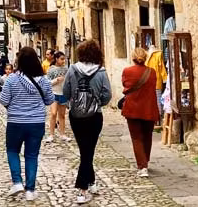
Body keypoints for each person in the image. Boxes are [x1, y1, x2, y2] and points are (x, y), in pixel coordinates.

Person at [0, 46, 54, 202]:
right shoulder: (43, 80)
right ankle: (30, 189)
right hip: (36, 122)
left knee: (12, 151)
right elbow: (49, 100)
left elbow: (3, 100)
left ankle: (17, 182)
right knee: (31, 155)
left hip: (15, 122)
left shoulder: (12, 79)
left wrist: (13, 107)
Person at [63, 40, 112, 204]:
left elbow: (65, 91)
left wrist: (74, 102)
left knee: (85, 149)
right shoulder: (101, 72)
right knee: (88, 150)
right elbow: (107, 95)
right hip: (94, 116)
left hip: (76, 116)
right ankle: (84, 187)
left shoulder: (72, 69)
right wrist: (98, 103)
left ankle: (89, 183)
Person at [120, 47, 158, 179]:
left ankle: (142, 166)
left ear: (133, 57)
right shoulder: (151, 72)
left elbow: (125, 85)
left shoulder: (127, 71)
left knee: (136, 138)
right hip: (149, 108)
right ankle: (145, 161)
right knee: (148, 136)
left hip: (133, 109)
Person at [45, 51, 70, 143]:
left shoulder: (66, 69)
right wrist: (56, 80)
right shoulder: (51, 69)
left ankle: (62, 134)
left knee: (62, 115)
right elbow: (47, 83)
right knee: (53, 113)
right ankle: (51, 135)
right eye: (61, 59)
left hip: (63, 93)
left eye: (64, 59)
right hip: (53, 93)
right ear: (56, 59)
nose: (63, 61)